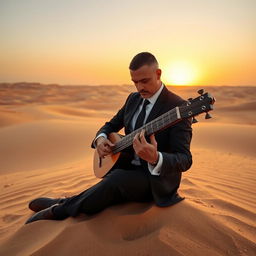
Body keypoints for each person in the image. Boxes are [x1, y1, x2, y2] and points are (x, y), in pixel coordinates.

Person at [25, 52, 192, 224]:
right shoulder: (133, 99)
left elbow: (185, 159)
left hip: (154, 181)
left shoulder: (178, 108)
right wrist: (101, 139)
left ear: (158, 74)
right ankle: (69, 201)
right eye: (135, 82)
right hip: (125, 166)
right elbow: (110, 126)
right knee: (114, 179)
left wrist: (156, 158)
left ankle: (60, 209)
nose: (139, 87)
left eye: (144, 81)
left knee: (116, 180)